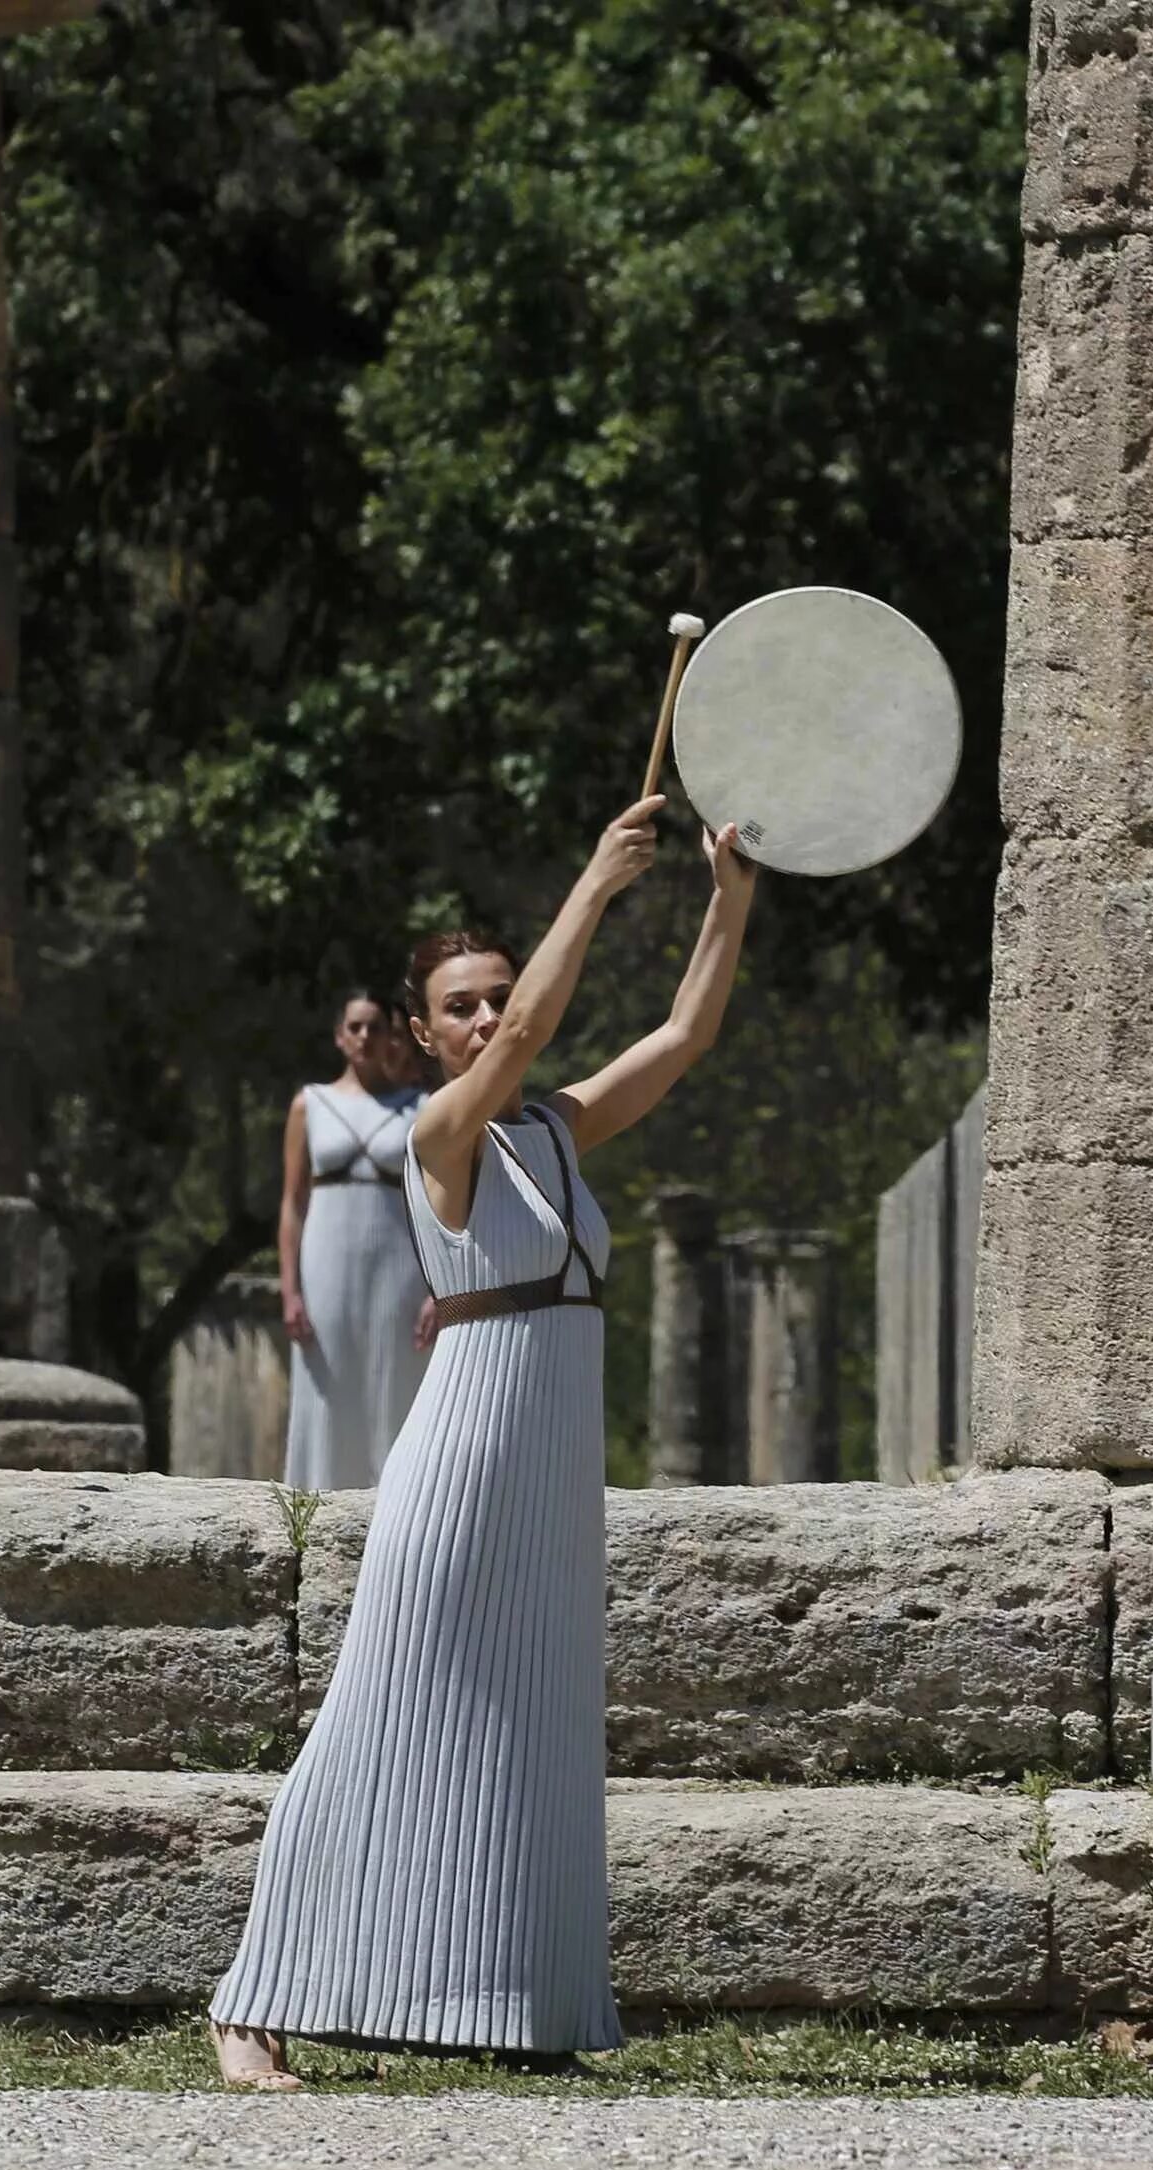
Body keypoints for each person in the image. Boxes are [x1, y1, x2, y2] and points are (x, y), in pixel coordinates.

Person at [208, 795, 758, 2086]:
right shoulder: (436, 1138)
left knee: (536, 1721)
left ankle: (517, 2000)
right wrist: (598, 882)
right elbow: (528, 1034)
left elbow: (682, 1035)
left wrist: (729, 896)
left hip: (554, 1463)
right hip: (463, 1450)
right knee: (376, 1709)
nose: (483, 1018)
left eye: (490, 996)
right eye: (456, 1005)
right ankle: (254, 2000)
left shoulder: (554, 1130)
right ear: (420, 1032)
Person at [277, 988, 431, 1492]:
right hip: (326, 1260)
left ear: (391, 1037)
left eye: (376, 1028)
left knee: (397, 1378)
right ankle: (316, 1499)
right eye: (356, 1027)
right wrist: (289, 1288)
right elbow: (293, 1200)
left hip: (399, 1262)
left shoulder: (419, 1107)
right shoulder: (310, 1104)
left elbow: (437, 1202)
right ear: (341, 1037)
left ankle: (400, 1504)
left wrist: (439, 1286)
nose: (366, 1036)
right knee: (329, 1382)